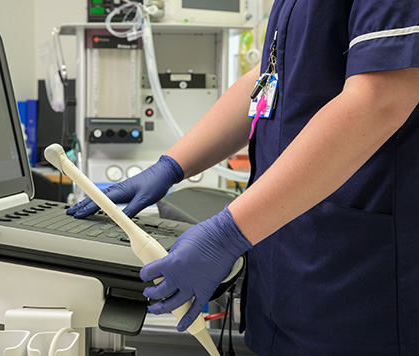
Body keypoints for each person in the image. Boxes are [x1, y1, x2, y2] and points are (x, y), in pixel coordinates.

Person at [68, 1, 419, 354]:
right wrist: (172, 165)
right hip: (287, 275)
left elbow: (381, 99)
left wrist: (227, 233)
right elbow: (268, 79)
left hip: (362, 284)